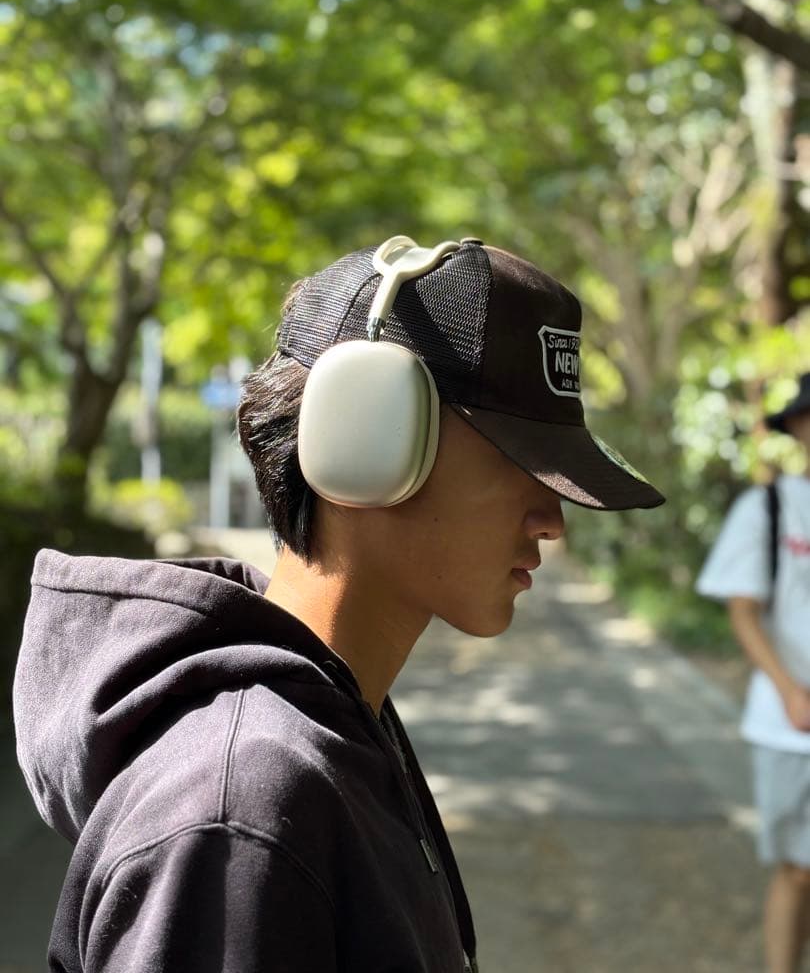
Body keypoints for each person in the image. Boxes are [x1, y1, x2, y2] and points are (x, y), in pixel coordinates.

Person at [14, 235, 664, 972]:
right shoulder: (242, 814)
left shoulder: (338, 726)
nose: (552, 521)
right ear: (368, 438)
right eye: (521, 463)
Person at [696, 372, 810, 973]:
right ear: (799, 428)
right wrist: (791, 691)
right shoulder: (769, 506)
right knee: (797, 869)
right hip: (790, 727)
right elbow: (744, 611)